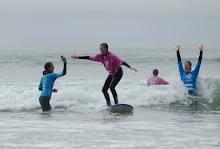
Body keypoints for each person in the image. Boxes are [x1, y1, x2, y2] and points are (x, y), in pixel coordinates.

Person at [71, 43, 137, 106]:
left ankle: (116, 103)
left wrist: (129, 67)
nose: (100, 50)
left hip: (118, 72)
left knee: (111, 87)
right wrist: (78, 57)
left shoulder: (112, 56)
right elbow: (90, 57)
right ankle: (109, 105)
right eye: (100, 49)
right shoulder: (100, 56)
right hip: (111, 74)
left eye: (102, 49)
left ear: (106, 49)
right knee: (104, 90)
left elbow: (121, 61)